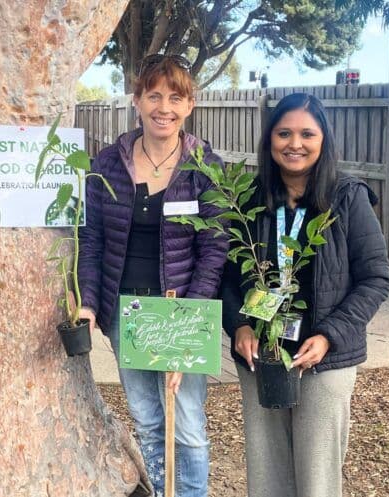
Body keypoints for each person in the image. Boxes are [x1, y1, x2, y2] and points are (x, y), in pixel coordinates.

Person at [221, 93, 389, 497]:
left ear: (323, 140)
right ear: (270, 140)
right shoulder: (249, 199)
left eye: (306, 134)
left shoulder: (348, 198)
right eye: (284, 133)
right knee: (267, 471)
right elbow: (226, 279)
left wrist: (330, 334)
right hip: (262, 354)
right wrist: (240, 325)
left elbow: (375, 279)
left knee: (316, 479)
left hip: (323, 360)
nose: (294, 143)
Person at [77, 54, 229, 497]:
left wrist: (189, 326)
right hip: (127, 311)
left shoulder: (204, 167)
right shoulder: (108, 164)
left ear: (190, 105)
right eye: (154, 95)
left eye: (175, 97)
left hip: (179, 311)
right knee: (147, 420)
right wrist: (88, 301)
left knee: (187, 426)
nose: (164, 107)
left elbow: (214, 248)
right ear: (137, 100)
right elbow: (92, 239)